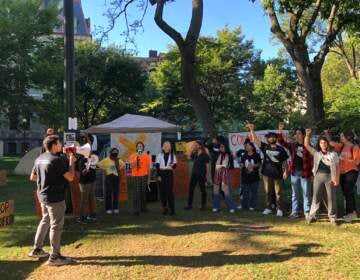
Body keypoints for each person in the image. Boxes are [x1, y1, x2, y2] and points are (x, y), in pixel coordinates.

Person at [28, 135, 76, 266]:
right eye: (59, 142)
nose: (61, 144)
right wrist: (71, 161)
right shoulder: (57, 160)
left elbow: (33, 177)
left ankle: (37, 249)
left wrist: (46, 179)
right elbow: (71, 177)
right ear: (54, 145)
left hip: (42, 196)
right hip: (55, 198)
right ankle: (55, 257)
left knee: (45, 220)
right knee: (56, 225)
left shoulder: (39, 158)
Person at [248, 124, 289, 217]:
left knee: (278, 193)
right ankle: (268, 208)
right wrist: (252, 129)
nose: (271, 139)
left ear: (276, 139)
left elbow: (285, 161)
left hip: (278, 174)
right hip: (266, 174)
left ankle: (279, 209)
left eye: (273, 137)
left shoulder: (281, 149)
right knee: (268, 192)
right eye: (269, 138)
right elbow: (255, 139)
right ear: (267, 139)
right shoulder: (265, 147)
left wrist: (286, 171)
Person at [304, 128, 340, 225]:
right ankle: (312, 216)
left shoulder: (333, 154)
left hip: (330, 177)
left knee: (331, 197)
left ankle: (332, 217)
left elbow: (337, 167)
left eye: (324, 143)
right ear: (319, 145)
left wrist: (337, 179)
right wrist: (307, 135)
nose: (323, 144)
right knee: (316, 196)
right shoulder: (316, 153)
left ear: (327, 143)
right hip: (318, 177)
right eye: (321, 143)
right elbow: (306, 145)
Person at [278, 124, 313, 219]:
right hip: (294, 173)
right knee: (294, 194)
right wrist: (280, 131)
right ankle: (295, 211)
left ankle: (307, 212)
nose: (297, 135)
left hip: (305, 173)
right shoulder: (293, 145)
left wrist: (312, 174)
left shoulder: (308, 146)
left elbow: (312, 161)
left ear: (303, 135)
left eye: (299, 133)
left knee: (306, 194)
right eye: (296, 134)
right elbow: (282, 142)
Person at [325, 130, 360, 223]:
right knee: (347, 193)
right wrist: (327, 134)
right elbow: (331, 143)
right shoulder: (342, 146)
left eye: (342, 136)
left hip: (351, 172)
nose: (340, 138)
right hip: (342, 173)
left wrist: (345, 159)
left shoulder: (354, 147)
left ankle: (349, 213)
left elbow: (357, 162)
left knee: (348, 192)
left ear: (347, 137)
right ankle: (353, 212)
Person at [184, 140, 211, 210]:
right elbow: (188, 157)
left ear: (200, 146)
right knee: (191, 189)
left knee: (203, 190)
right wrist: (191, 149)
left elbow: (207, 167)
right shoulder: (195, 154)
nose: (195, 146)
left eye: (196, 145)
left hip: (201, 175)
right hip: (194, 174)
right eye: (194, 145)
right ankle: (189, 205)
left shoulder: (205, 155)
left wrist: (208, 177)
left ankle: (203, 205)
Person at [97, 148, 125, 214]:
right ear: (110, 152)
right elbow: (98, 164)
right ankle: (108, 208)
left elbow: (123, 165)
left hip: (116, 177)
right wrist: (105, 168)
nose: (115, 153)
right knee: (108, 193)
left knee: (116, 193)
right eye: (113, 151)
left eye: (116, 152)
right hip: (109, 177)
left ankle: (115, 208)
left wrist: (118, 168)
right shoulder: (106, 159)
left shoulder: (118, 160)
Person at [212, 143, 236, 213]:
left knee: (226, 192)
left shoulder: (229, 155)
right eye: (220, 147)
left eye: (223, 146)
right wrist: (222, 166)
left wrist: (225, 167)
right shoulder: (217, 155)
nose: (221, 148)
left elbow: (231, 166)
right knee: (216, 191)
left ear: (226, 147)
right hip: (217, 175)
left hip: (225, 175)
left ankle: (231, 207)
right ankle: (216, 207)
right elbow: (214, 165)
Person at [129, 142, 152, 216]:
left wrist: (148, 179)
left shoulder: (146, 156)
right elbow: (132, 166)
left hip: (144, 176)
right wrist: (137, 158)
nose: (139, 147)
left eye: (141, 146)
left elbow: (149, 169)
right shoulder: (133, 156)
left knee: (143, 192)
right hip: (135, 176)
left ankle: (143, 207)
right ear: (136, 148)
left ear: (143, 148)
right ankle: (136, 210)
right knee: (136, 193)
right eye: (138, 146)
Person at [238, 141, 261, 211]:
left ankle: (253, 206)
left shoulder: (257, 155)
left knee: (254, 192)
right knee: (245, 192)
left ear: (252, 147)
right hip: (245, 176)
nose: (247, 147)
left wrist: (253, 166)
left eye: (248, 145)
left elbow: (259, 163)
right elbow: (241, 163)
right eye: (246, 146)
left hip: (254, 176)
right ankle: (244, 205)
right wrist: (243, 166)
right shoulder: (243, 155)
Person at [156, 141, 177, 215]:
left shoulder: (172, 155)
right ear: (162, 147)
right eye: (165, 145)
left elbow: (175, 166)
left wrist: (172, 165)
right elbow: (157, 166)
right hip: (161, 174)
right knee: (162, 192)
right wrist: (158, 176)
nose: (166, 146)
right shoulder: (159, 155)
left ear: (170, 147)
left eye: (168, 145)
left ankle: (172, 209)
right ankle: (165, 208)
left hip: (169, 174)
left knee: (169, 192)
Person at [76, 152, 97, 224]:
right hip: (84, 182)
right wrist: (87, 166)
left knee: (92, 198)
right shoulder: (82, 160)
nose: (91, 152)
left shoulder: (93, 158)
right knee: (84, 200)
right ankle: (81, 217)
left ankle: (91, 214)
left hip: (92, 181)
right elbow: (83, 173)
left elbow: (96, 168)